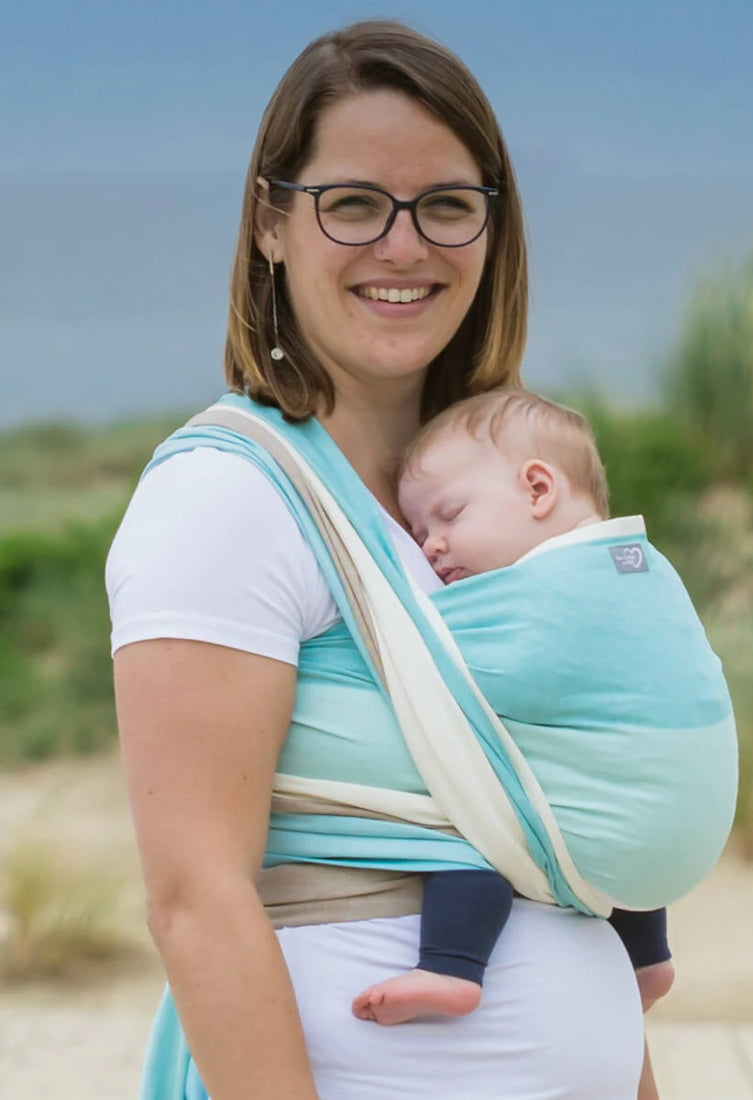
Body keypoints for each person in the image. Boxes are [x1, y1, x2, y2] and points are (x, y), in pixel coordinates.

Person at [107, 19, 665, 1100]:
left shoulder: (493, 506)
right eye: (353, 203)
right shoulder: (228, 498)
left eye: (446, 205)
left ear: (492, 229)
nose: (403, 246)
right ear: (271, 222)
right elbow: (194, 897)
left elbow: (546, 852)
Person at [349, 388, 676, 1026]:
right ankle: (647, 956)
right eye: (418, 533)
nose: (432, 546)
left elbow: (456, 676)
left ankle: (451, 967)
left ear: (537, 489)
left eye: (448, 515)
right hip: (647, 809)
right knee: (610, 802)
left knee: (476, 822)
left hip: (606, 809)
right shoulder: (628, 566)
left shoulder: (536, 591)